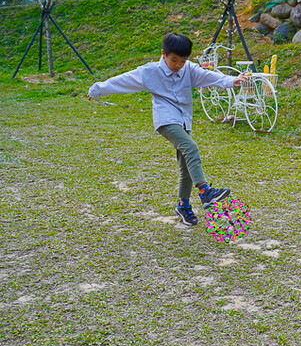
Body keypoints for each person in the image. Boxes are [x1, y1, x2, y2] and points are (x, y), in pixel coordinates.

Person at [87, 32, 248, 226]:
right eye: (174, 60)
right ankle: (205, 191)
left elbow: (208, 76)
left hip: (184, 121)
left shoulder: (189, 69)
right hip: (166, 120)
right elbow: (123, 80)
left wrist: (231, 81)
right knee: (191, 148)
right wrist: (97, 89)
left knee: (187, 165)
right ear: (163, 54)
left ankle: (183, 205)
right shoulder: (149, 72)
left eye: (182, 60)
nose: (178, 65)